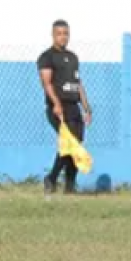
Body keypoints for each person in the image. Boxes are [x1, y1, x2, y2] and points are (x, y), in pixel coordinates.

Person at [38, 20, 93, 195]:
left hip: (74, 107)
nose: (63, 37)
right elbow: (46, 83)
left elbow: (78, 84)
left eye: (66, 33)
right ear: (53, 35)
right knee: (70, 144)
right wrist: (56, 103)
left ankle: (69, 187)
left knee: (76, 146)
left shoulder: (73, 57)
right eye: (59, 33)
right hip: (59, 108)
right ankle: (51, 179)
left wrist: (86, 108)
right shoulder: (47, 57)